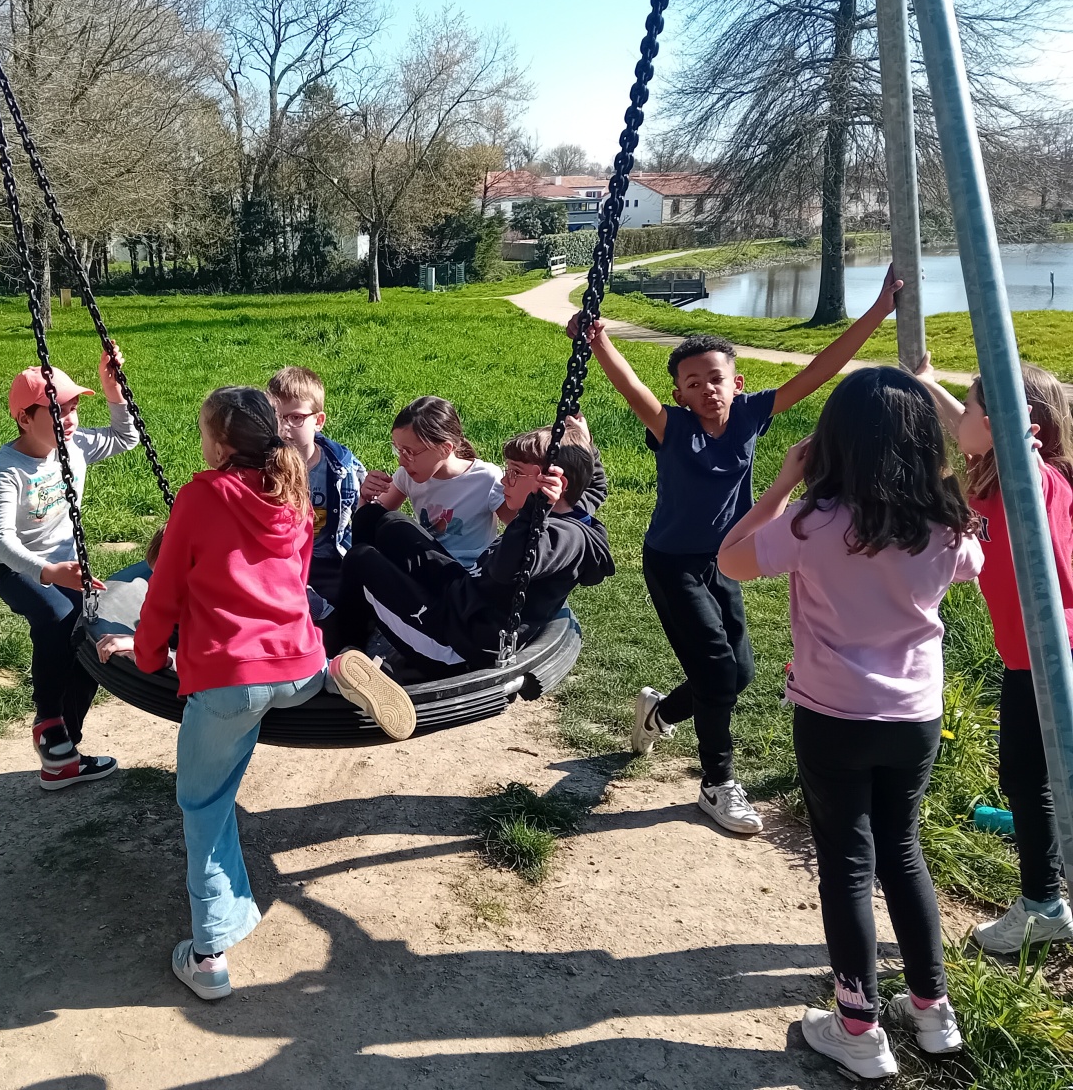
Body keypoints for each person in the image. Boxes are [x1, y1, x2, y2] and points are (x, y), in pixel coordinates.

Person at [95, 387, 415, 1001]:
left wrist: (149, 655)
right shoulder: (291, 492)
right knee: (293, 679)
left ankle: (209, 956)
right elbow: (295, 579)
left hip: (231, 682)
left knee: (205, 806)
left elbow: (164, 592)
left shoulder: (200, 496)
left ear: (219, 444)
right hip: (296, 665)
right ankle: (337, 670)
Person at [718, 366, 982, 1078]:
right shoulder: (946, 526)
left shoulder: (814, 522)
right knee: (903, 851)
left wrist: (781, 483)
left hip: (834, 713)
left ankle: (859, 1028)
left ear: (831, 443)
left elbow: (731, 559)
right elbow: (975, 561)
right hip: (915, 715)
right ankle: (932, 1010)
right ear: (925, 445)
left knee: (847, 864)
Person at [575, 264, 902, 834]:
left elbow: (819, 370)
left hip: (725, 560)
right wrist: (597, 339)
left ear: (737, 383)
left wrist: (878, 310)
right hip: (672, 563)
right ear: (679, 393)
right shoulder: (672, 427)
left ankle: (660, 712)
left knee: (739, 672)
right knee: (717, 671)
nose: (706, 388)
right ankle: (717, 782)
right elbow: (632, 388)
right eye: (693, 382)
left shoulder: (752, 416)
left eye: (715, 378)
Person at [915, 356, 1073, 953]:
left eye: (974, 406)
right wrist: (929, 384)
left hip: (1050, 656)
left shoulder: (1030, 480)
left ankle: (1043, 905)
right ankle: (1048, 881)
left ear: (1006, 425)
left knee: (1027, 778)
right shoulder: (1001, 475)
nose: (960, 417)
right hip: (1034, 654)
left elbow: (999, 446)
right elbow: (969, 425)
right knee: (1036, 777)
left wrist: (1019, 451)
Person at [330, 432, 614, 678]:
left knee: (360, 560)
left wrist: (532, 510)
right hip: (464, 599)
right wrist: (584, 440)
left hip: (456, 646)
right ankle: (369, 617)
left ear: (554, 487)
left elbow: (507, 569)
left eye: (515, 472)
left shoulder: (564, 538)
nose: (504, 480)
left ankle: (344, 652)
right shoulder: (574, 506)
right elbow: (594, 484)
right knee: (385, 522)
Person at [0, 352, 138, 790]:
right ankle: (48, 719)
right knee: (57, 615)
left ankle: (64, 750)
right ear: (24, 418)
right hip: (18, 569)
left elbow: (127, 437)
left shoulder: (76, 445)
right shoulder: (10, 467)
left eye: (72, 408)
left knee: (90, 634)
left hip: (67, 567)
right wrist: (50, 571)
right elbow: (2, 541)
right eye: (57, 411)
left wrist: (112, 392)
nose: (69, 419)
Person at [266, 366, 367, 650]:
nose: (285, 428)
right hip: (283, 563)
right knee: (297, 608)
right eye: (277, 417)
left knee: (353, 605)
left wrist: (370, 495)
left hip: (329, 559)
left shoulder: (340, 467)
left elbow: (362, 512)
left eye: (296, 417)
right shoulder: (264, 468)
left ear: (318, 421)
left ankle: (352, 653)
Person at [360, 396, 504, 571]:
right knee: (367, 540)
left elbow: (520, 531)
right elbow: (369, 524)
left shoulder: (485, 478)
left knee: (395, 523)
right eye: (398, 450)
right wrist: (366, 497)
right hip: (427, 571)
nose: (401, 461)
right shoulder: (408, 475)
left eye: (409, 452)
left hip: (469, 575)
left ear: (445, 449)